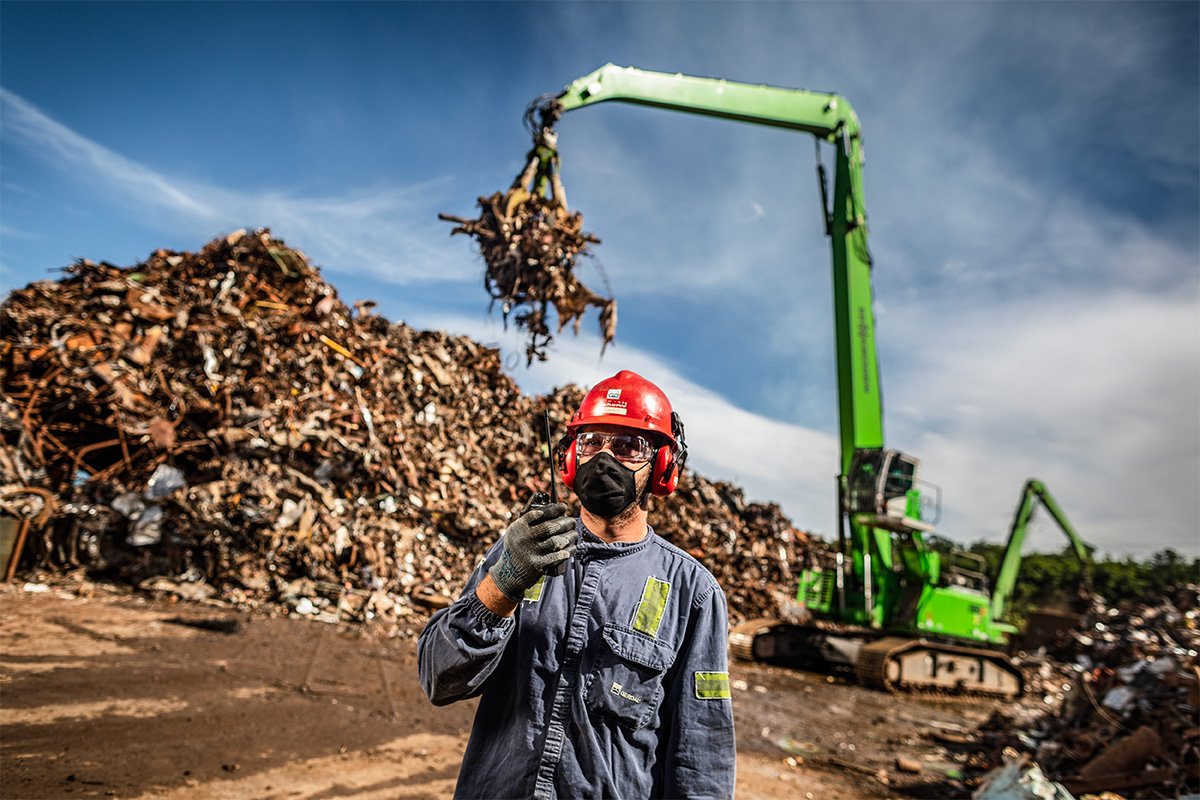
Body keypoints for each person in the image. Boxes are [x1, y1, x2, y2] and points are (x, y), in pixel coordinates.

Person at [418, 370, 736, 799]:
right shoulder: (523, 551)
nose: (602, 459)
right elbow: (438, 679)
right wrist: (506, 582)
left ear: (662, 466)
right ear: (570, 459)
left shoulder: (691, 592)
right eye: (591, 443)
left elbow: (702, 757)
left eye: (627, 446)